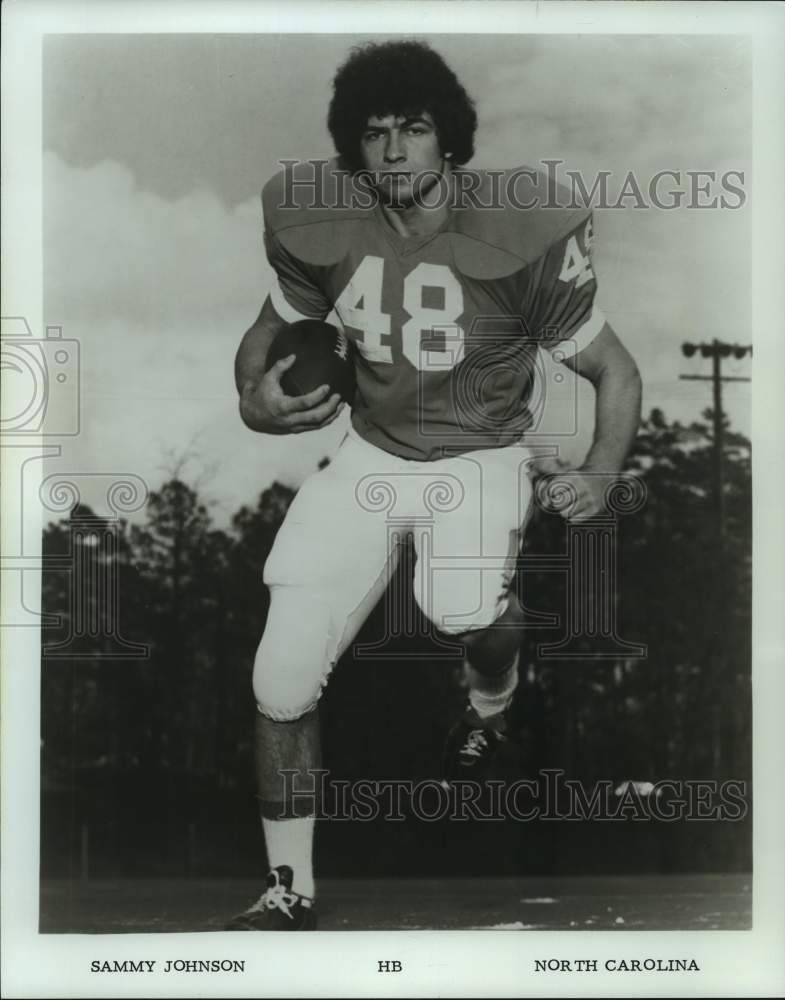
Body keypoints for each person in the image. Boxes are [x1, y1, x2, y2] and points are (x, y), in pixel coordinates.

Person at [227, 40, 641, 930]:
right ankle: (288, 888)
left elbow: (615, 370)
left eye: (411, 129)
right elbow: (272, 325)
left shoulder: (519, 229)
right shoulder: (318, 217)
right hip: (371, 452)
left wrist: (600, 475)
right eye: (373, 133)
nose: (391, 150)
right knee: (281, 672)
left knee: (460, 611)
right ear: (353, 146)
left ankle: (493, 688)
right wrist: (251, 397)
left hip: (480, 453)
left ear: (447, 140)